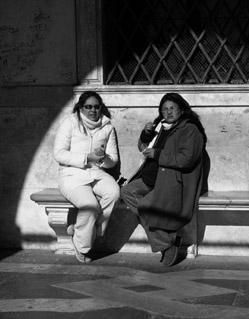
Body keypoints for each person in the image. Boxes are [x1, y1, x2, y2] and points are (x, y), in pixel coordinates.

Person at [119, 92, 208, 266]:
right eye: (164, 109)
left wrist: (158, 154)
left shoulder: (190, 129)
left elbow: (186, 158)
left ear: (181, 110)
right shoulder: (161, 126)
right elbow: (143, 148)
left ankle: (164, 245)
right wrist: (145, 135)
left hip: (170, 181)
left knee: (145, 207)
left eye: (172, 108)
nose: (168, 112)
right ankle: (167, 240)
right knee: (126, 192)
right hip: (150, 177)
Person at [53, 91, 120, 263]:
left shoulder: (107, 126)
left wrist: (104, 158)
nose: (93, 110)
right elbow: (59, 154)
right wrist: (85, 158)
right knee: (89, 205)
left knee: (113, 193)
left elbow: (113, 160)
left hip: (96, 172)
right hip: (71, 174)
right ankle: (82, 246)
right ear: (81, 108)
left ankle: (91, 231)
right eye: (88, 107)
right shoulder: (70, 123)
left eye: (96, 107)